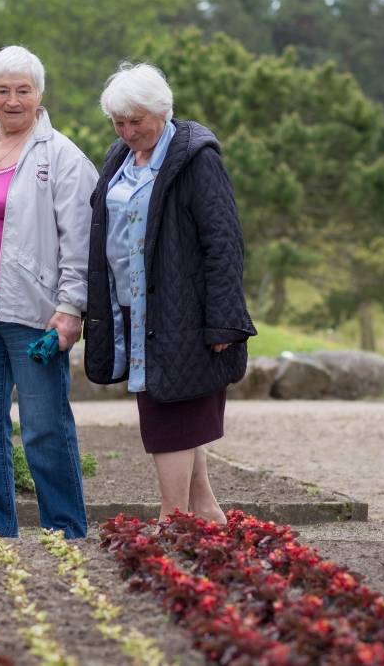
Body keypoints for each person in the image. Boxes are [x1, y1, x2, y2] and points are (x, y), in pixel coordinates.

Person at [84, 63, 257, 525]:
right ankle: (204, 511)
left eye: (136, 121)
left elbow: (223, 241)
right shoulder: (119, 157)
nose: (127, 131)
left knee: (168, 411)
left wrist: (223, 319)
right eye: (118, 122)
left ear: (162, 111)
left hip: (181, 308)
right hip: (131, 305)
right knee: (175, 404)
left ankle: (171, 518)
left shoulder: (197, 158)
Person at [0, 46, 98, 539]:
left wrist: (71, 308)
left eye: (22, 90)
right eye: (3, 90)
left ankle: (65, 525)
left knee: (44, 422)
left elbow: (80, 238)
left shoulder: (62, 156)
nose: (12, 100)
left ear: (39, 95)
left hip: (34, 311)